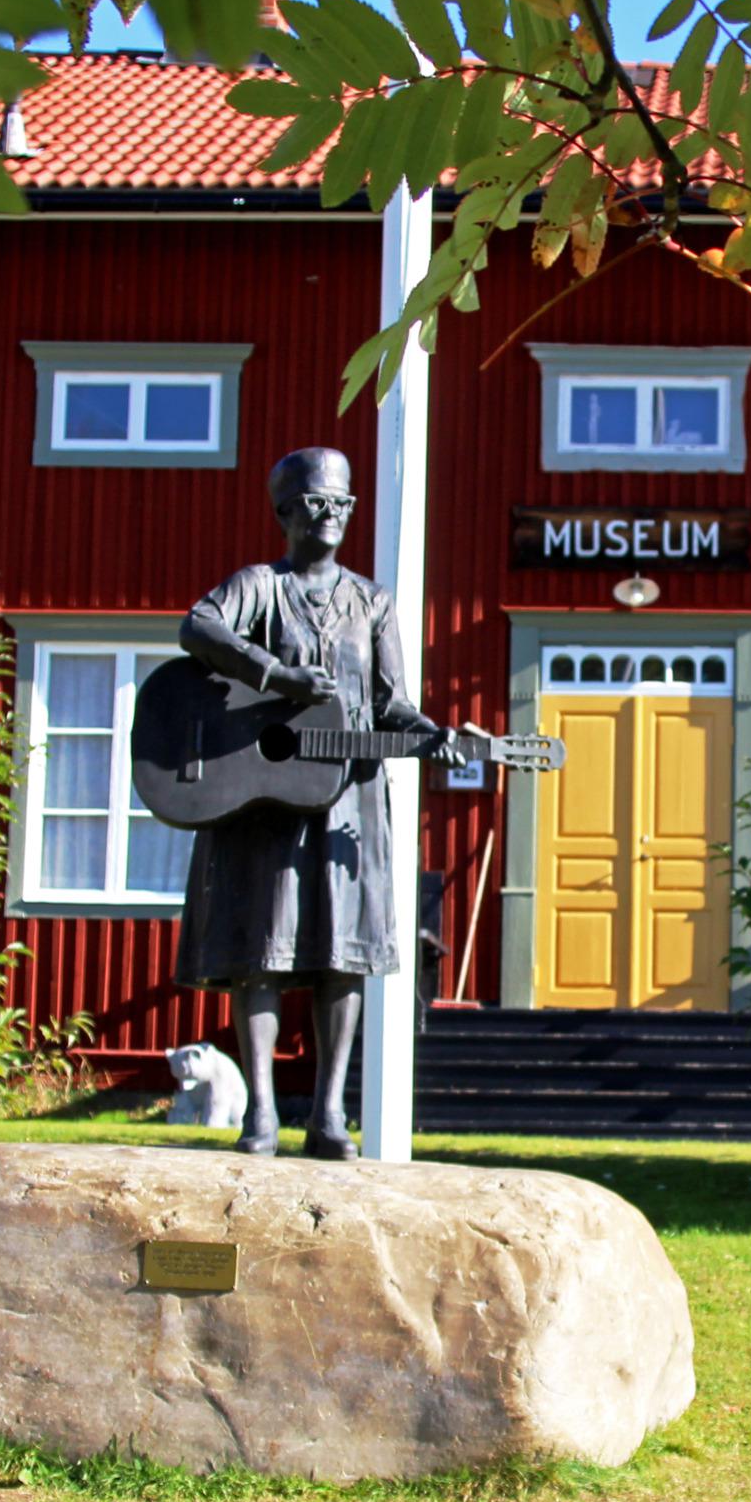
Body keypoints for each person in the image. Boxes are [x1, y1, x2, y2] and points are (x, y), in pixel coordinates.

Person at [172, 446, 464, 1157]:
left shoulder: (372, 602)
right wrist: (276, 675)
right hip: (262, 804)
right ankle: (262, 1117)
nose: (330, 514)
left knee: (344, 953)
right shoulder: (258, 587)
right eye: (315, 501)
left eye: (342, 503)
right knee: (261, 953)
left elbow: (393, 705)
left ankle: (329, 1116)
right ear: (284, 511)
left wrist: (439, 738)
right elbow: (198, 627)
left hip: (348, 804)